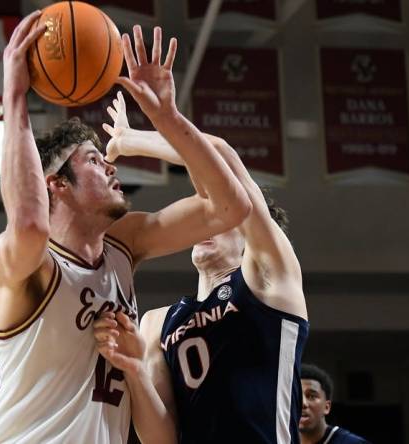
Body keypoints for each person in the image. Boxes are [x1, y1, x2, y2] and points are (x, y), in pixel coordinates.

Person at [0, 12, 251, 444]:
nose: (110, 164)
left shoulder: (124, 245)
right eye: (92, 159)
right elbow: (30, 223)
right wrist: (13, 95)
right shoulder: (27, 266)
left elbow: (230, 207)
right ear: (56, 184)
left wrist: (167, 118)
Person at [93, 91, 309, 443]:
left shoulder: (269, 280)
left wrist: (134, 138)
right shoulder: (156, 323)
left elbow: (223, 159)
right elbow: (161, 439)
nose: (210, 224)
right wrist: (133, 370)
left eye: (224, 221)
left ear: (248, 241)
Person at [299, 364, 369, 444]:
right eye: (297, 396)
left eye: (311, 396)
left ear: (327, 407)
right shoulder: (283, 439)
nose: (303, 403)